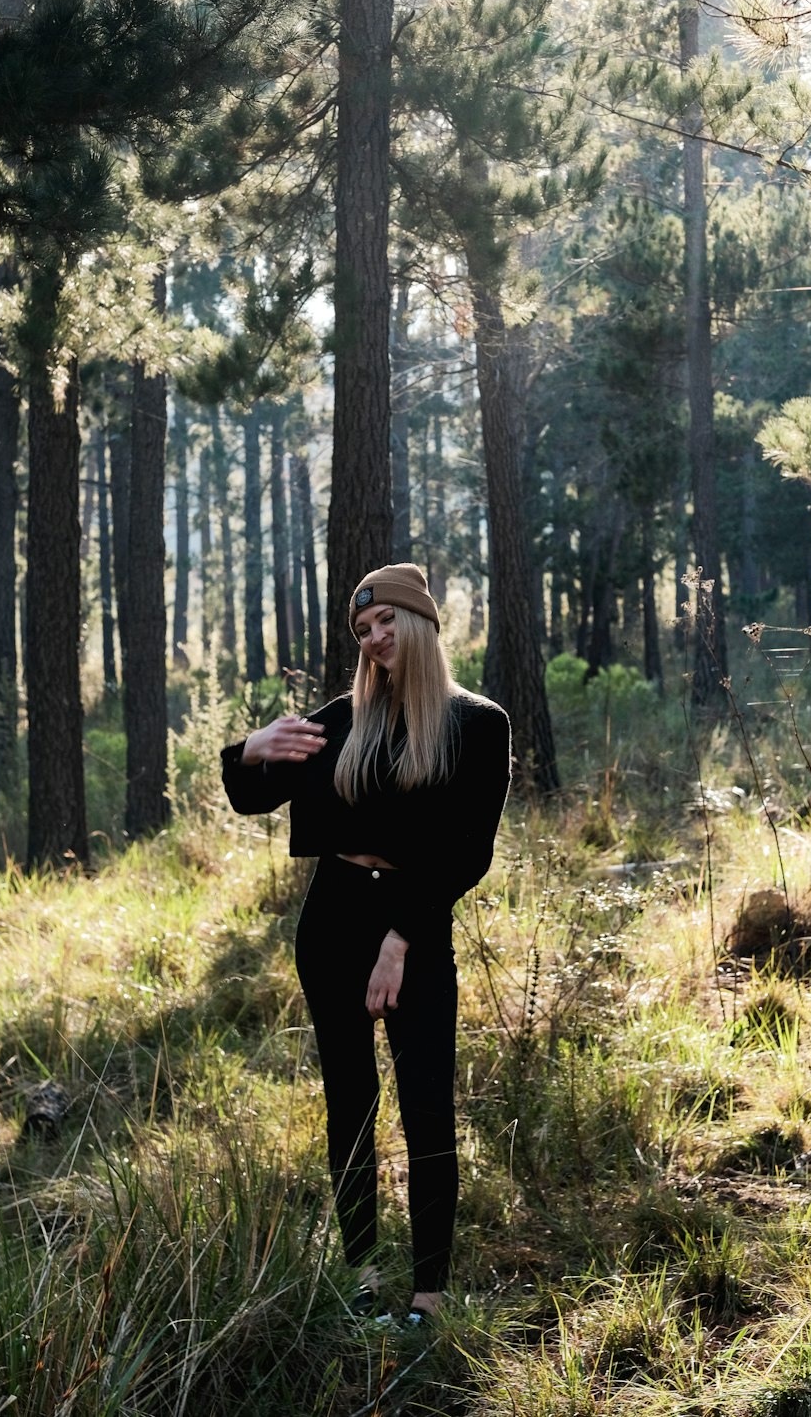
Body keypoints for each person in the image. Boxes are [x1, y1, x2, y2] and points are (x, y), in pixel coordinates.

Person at [220, 563, 511, 1324]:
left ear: (419, 622)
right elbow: (254, 792)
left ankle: (428, 1294)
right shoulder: (345, 719)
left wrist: (400, 940)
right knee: (349, 1102)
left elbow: (466, 855)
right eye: (362, 630)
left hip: (415, 923)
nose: (375, 639)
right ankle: (361, 1279)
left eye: (386, 623)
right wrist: (250, 748)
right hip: (332, 919)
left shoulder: (479, 724)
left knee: (425, 1106)